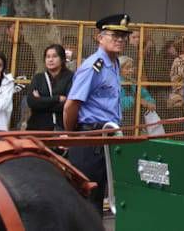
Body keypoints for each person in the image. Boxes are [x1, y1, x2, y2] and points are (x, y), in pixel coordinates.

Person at [64, 13, 133, 215]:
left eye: (123, 36)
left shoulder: (114, 63)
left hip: (107, 138)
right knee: (87, 200)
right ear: (100, 37)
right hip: (90, 138)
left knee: (100, 198)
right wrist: (73, 136)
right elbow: (71, 105)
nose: (120, 40)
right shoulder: (94, 66)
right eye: (114, 35)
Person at [24, 43, 74, 131]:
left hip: (60, 127)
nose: (50, 60)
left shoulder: (70, 77)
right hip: (37, 127)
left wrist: (41, 100)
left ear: (62, 59)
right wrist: (57, 98)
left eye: (54, 56)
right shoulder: (38, 78)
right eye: (48, 57)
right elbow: (32, 102)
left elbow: (68, 104)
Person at [118, 55, 155, 119]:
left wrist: (150, 102)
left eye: (131, 68)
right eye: (127, 68)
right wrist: (136, 100)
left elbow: (145, 94)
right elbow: (118, 103)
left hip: (133, 119)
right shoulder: (113, 83)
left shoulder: (133, 83)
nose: (131, 71)